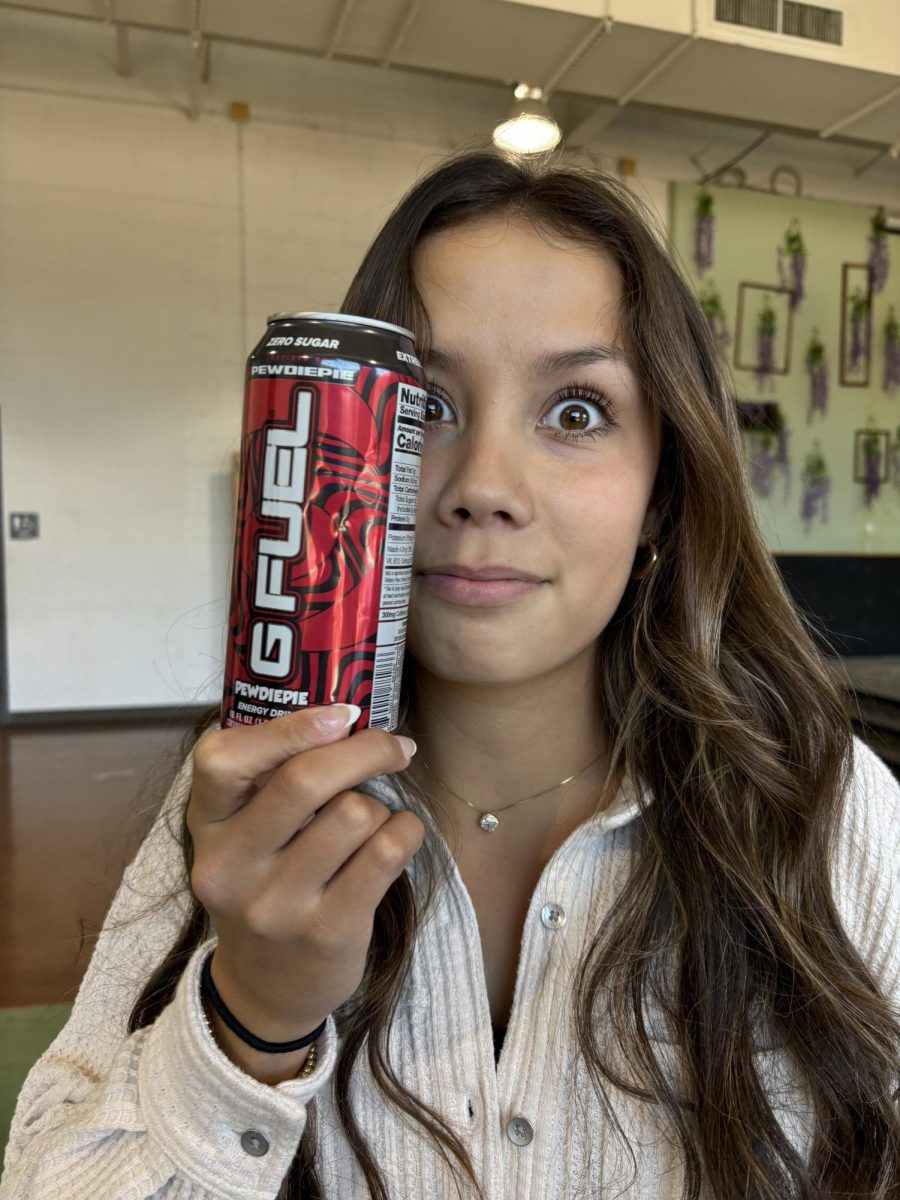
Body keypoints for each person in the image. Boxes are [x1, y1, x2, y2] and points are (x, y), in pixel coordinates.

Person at [2, 144, 898, 1200]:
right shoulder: (242, 817)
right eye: (424, 407)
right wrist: (247, 1022)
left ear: (663, 489)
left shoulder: (824, 811)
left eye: (575, 411)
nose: (481, 488)